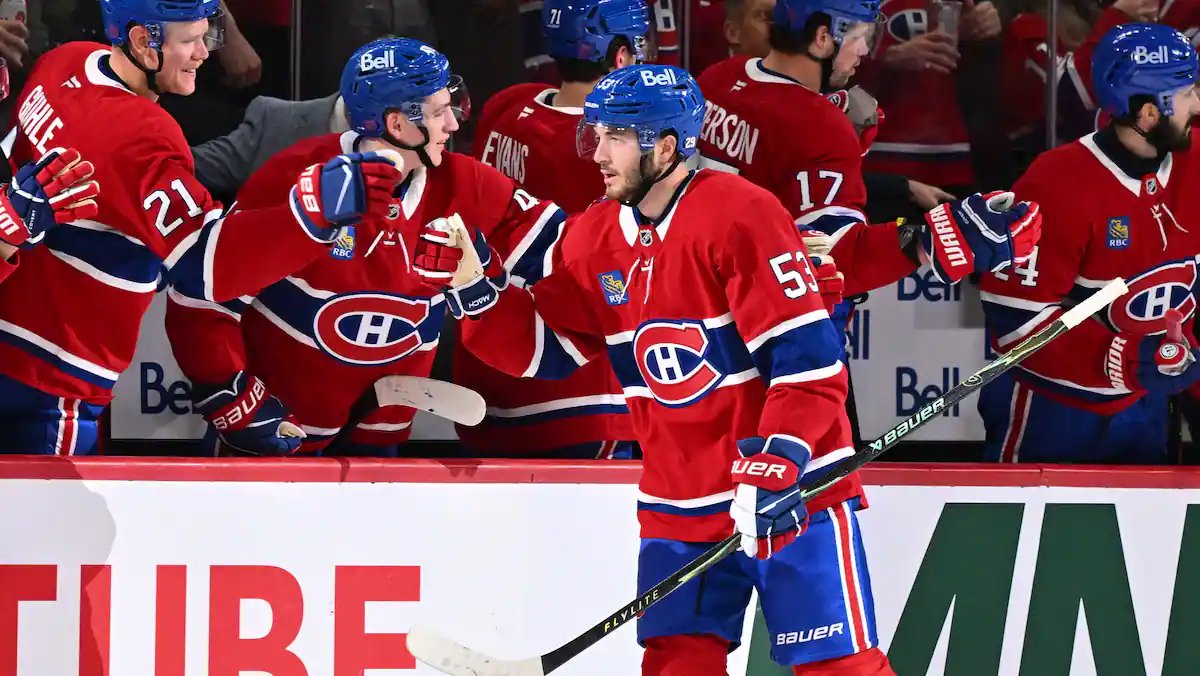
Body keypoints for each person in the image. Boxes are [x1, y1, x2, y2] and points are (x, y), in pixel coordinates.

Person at [415, 63, 894, 675]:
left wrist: (780, 458)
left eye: (616, 137)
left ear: (666, 147)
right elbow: (545, 351)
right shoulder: (594, 235)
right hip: (678, 500)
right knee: (677, 666)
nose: (598, 155)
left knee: (838, 668)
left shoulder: (742, 213)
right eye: (596, 136)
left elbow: (810, 361)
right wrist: (473, 289)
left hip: (789, 489)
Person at [0, 0, 401, 454]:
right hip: (53, 379)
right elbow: (204, 265)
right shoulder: (141, 135)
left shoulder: (64, 61)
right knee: (48, 502)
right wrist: (310, 215)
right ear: (142, 41)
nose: (204, 52)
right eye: (190, 40)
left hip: (15, 334)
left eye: (207, 35)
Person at [165, 38, 567, 456]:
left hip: (379, 444)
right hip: (278, 436)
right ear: (396, 124)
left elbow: (565, 254)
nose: (453, 124)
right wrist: (233, 401)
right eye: (439, 112)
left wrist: (487, 276)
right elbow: (201, 297)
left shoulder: (468, 185)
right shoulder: (295, 176)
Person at [697, 0, 1042, 437]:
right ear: (822, 38)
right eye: (860, 37)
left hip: (702, 320)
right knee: (814, 468)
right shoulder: (817, 123)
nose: (864, 50)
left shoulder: (719, 79)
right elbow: (837, 258)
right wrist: (935, 238)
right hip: (781, 340)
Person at [979, 23, 1200, 464]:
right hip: (1055, 410)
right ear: (1149, 113)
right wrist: (1122, 358)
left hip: (1147, 404)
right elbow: (1016, 323)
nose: (1197, 104)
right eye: (1188, 93)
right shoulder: (1056, 183)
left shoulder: (1192, 162)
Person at [462, 0, 647, 458]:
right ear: (621, 55)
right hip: (579, 386)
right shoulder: (615, 144)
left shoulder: (507, 107)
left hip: (490, 369)